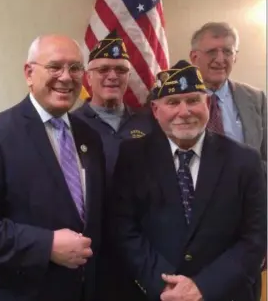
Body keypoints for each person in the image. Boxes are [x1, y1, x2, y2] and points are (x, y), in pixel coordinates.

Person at [0, 35, 106, 301]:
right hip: (20, 291)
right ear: (29, 73)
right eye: (55, 67)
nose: (66, 77)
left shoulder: (89, 135)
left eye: (75, 68)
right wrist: (46, 245)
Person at [110, 59, 266, 301]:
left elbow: (255, 238)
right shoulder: (132, 157)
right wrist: (167, 287)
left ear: (208, 103)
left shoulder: (244, 160)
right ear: (155, 110)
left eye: (193, 100)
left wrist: (202, 287)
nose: (184, 112)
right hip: (158, 294)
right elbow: (124, 229)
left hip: (224, 294)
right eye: (172, 102)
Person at [72, 29, 154, 180]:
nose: (112, 76)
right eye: (103, 70)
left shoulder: (148, 122)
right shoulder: (71, 124)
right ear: (88, 78)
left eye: (121, 70)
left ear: (128, 77)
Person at [189, 22, 266, 165]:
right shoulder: (177, 100)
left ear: (235, 57)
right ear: (194, 57)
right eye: (211, 52)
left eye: (227, 52)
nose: (220, 59)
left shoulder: (257, 99)